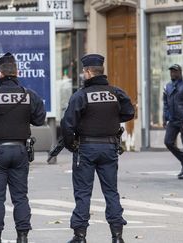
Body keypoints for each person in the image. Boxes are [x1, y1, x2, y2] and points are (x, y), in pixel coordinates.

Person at [0, 52, 46, 243]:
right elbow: (39, 120)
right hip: (20, 151)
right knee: (20, 197)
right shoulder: (29, 95)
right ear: (17, 72)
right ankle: (22, 236)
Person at [61, 54, 135, 243]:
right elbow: (128, 112)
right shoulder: (115, 92)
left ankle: (80, 236)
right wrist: (109, 120)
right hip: (110, 147)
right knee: (111, 192)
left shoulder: (80, 96)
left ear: (87, 72)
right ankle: (117, 236)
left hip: (86, 147)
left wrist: (72, 146)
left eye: (83, 72)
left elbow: (68, 125)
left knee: (83, 193)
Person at [163, 64, 183, 179]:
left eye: (175, 71)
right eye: (171, 71)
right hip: (172, 120)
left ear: (180, 73)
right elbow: (165, 104)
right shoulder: (167, 87)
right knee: (168, 142)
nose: (173, 73)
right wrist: (165, 118)